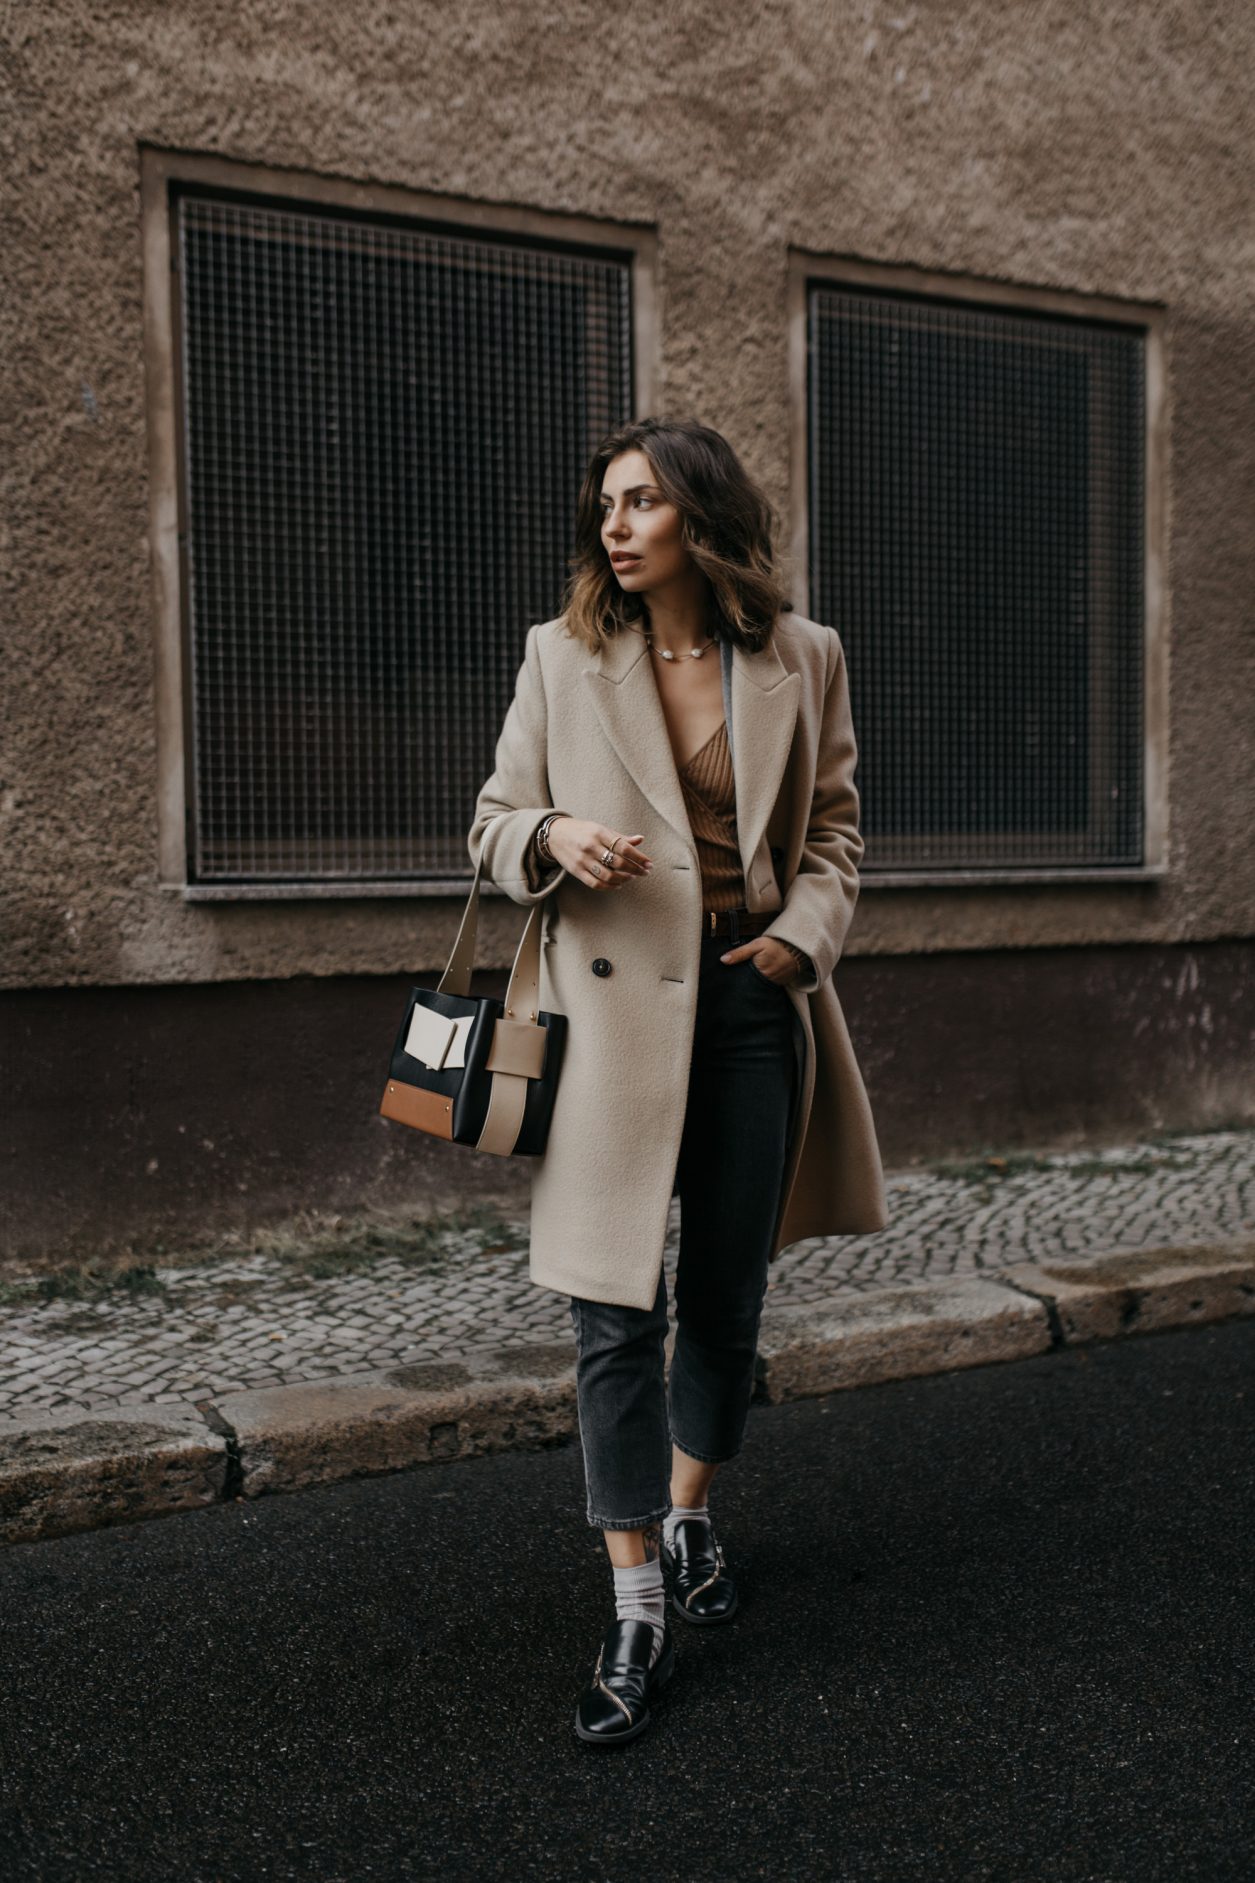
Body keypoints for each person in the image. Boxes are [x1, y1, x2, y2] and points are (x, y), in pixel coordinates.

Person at [468, 416, 886, 1746]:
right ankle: (635, 1594)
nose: (614, 525)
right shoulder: (563, 656)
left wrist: (797, 944)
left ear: (698, 518)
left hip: (750, 1009)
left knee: (724, 1298)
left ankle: (691, 1506)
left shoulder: (802, 657)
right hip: (607, 1030)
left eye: (641, 502)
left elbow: (834, 832)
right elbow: (488, 825)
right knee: (610, 1310)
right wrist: (555, 837)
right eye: (605, 504)